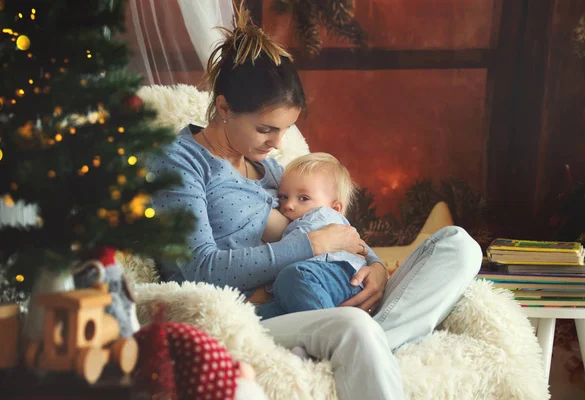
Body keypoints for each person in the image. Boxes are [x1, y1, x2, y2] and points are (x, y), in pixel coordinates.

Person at [151, 5, 481, 400]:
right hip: (257, 314)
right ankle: (368, 341)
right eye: (265, 129)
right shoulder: (179, 162)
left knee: (458, 245)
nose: (277, 143)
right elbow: (197, 269)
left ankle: (375, 341)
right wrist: (312, 247)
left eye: (286, 129)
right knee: (351, 327)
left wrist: (374, 265)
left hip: (330, 292)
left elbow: (324, 222)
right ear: (223, 108)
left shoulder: (270, 170)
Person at [257, 152, 379, 320]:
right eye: (284, 197)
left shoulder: (322, 215)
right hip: (318, 287)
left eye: (303, 198)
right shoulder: (302, 219)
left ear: (334, 208)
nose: (289, 205)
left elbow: (290, 251)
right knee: (264, 314)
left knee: (293, 276)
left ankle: (334, 333)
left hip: (340, 277)